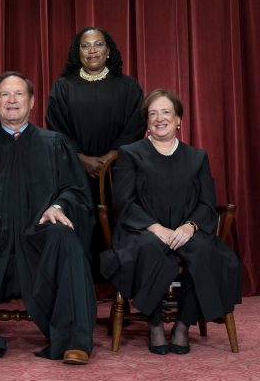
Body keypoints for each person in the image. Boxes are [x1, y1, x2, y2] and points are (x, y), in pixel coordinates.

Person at [0, 72, 96, 364]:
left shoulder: (55, 144)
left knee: (65, 237)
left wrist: (58, 207)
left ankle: (72, 340)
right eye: (5, 96)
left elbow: (76, 190)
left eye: (19, 94)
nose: (12, 101)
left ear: (32, 102)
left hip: (39, 235)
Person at [100, 89, 241, 355]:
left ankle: (182, 324)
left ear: (178, 119)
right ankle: (154, 322)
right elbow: (125, 202)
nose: (159, 118)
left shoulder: (197, 157)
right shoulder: (131, 154)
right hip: (142, 229)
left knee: (203, 251)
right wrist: (155, 228)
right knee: (150, 248)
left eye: (166, 112)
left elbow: (207, 204)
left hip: (186, 229)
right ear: (147, 121)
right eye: (152, 114)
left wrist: (189, 227)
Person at [46, 27, 145, 275]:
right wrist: (81, 158)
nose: (92, 51)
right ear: (77, 52)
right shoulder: (63, 87)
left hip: (118, 170)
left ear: (108, 50)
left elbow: (137, 123)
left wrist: (113, 156)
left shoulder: (128, 86)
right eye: (85, 45)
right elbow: (57, 128)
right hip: (75, 170)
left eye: (98, 45)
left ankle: (120, 277)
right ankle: (80, 277)